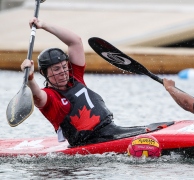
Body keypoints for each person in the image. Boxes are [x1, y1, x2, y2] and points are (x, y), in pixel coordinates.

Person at [21, 17, 146, 147]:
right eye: (56, 69)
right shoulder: (50, 97)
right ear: (44, 73)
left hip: (110, 131)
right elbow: (38, 96)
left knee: (149, 129)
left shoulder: (75, 77)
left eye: (64, 67)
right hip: (88, 143)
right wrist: (30, 78)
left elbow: (75, 42)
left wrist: (44, 25)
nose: (63, 72)